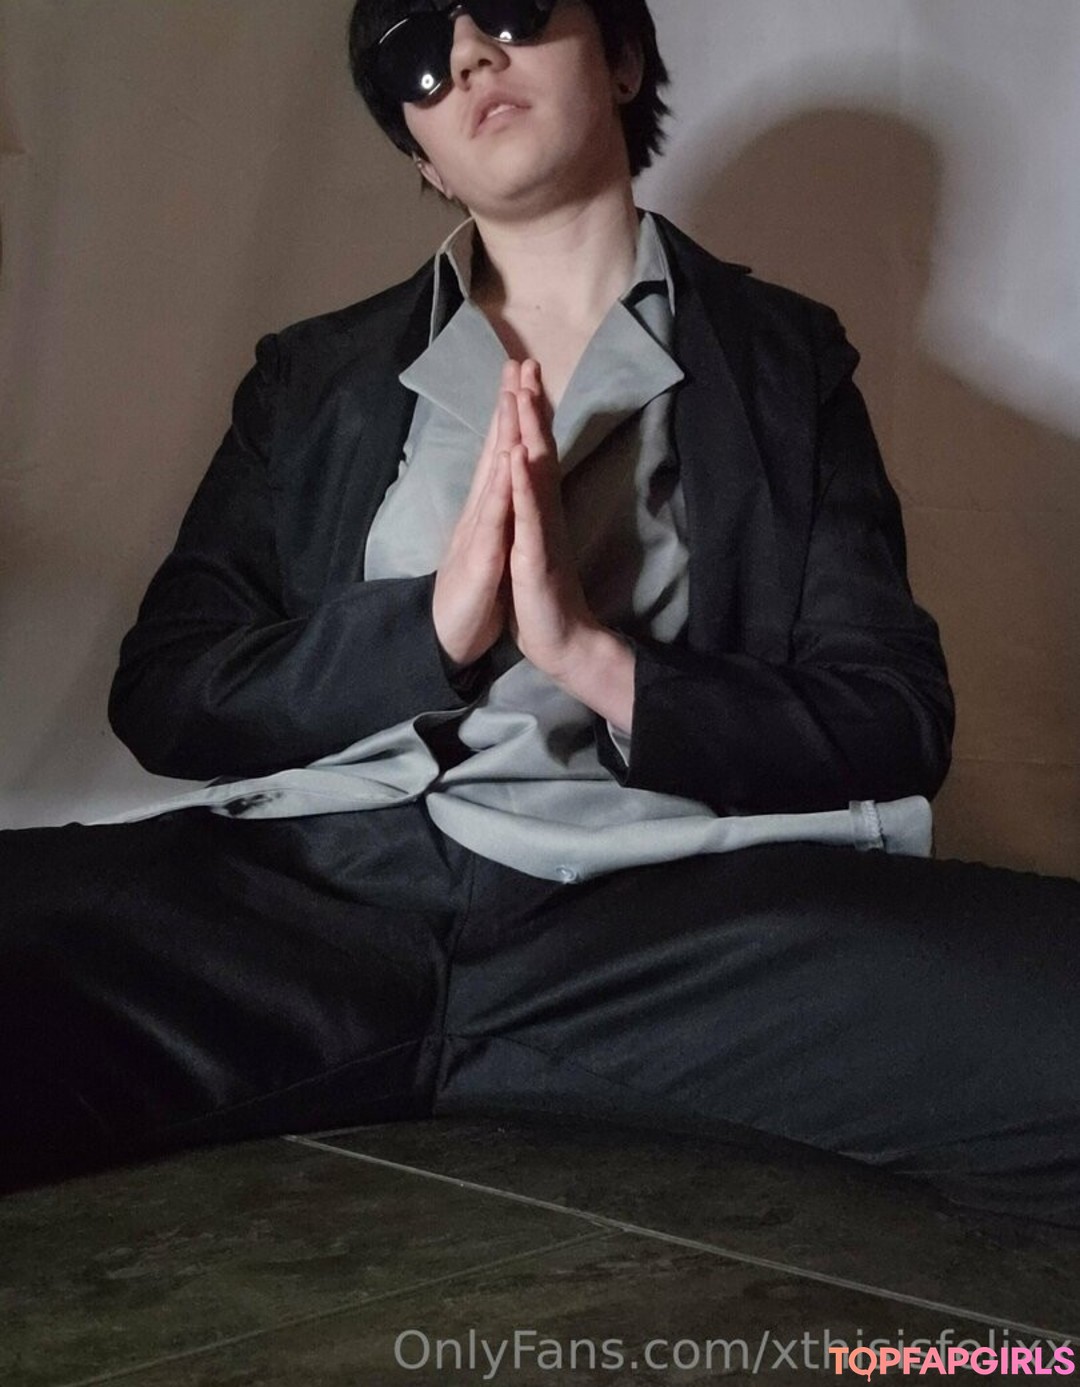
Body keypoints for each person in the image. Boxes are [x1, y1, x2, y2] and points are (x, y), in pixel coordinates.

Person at [3, 0, 1078, 1227]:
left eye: (509, 8)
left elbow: (892, 717)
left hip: (658, 923)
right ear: (420, 154)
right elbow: (167, 692)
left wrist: (592, 657)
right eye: (415, 56)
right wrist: (433, 633)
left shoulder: (784, 358)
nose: (466, 54)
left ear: (622, 58)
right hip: (305, 900)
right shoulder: (312, 373)